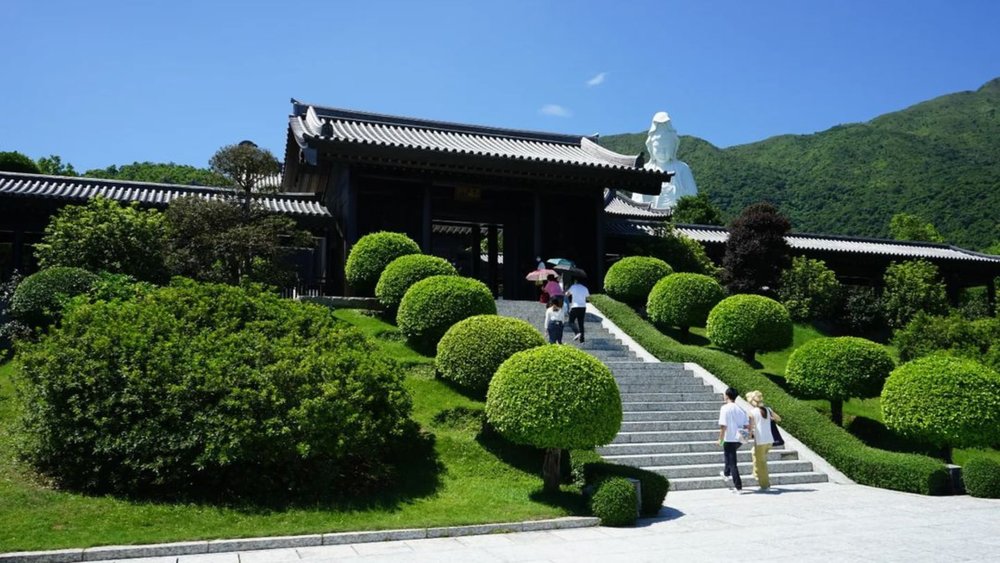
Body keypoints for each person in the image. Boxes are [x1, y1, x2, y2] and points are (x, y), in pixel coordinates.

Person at [630, 111, 699, 210]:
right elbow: (635, 203)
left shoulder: (682, 168)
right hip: (647, 217)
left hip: (677, 217)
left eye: (666, 148)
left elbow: (694, 201)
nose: (662, 152)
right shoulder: (644, 170)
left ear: (673, 147)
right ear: (651, 148)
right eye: (658, 148)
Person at [746, 390, 781, 490]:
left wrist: (748, 435)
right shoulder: (768, 409)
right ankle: (756, 473)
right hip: (769, 439)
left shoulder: (752, 412)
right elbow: (779, 419)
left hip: (760, 440)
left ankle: (765, 484)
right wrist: (771, 419)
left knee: (761, 462)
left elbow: (750, 427)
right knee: (754, 452)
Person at [718, 387, 750, 493]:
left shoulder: (724, 408)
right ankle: (726, 474)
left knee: (732, 463)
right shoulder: (740, 409)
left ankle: (738, 486)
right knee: (729, 456)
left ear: (727, 395)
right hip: (739, 439)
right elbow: (746, 425)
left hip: (729, 438)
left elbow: (723, 426)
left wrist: (720, 439)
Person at [565, 278, 590, 343]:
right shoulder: (585, 288)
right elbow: (588, 298)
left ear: (576, 281)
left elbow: (567, 295)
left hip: (575, 306)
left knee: (570, 322)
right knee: (581, 323)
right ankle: (582, 339)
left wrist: (566, 290)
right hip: (583, 307)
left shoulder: (573, 286)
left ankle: (577, 332)